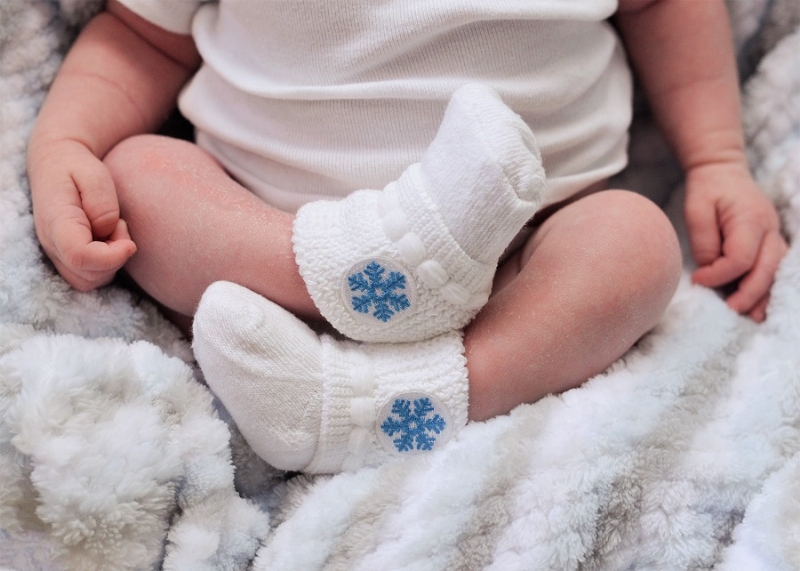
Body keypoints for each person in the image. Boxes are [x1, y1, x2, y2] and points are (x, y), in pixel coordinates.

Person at [27, 0, 787, 474]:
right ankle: (359, 272)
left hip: (523, 260)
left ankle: (388, 405)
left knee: (633, 240)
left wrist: (716, 156)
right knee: (137, 174)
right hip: (263, 248)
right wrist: (65, 144)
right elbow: (141, 38)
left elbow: (667, 9)